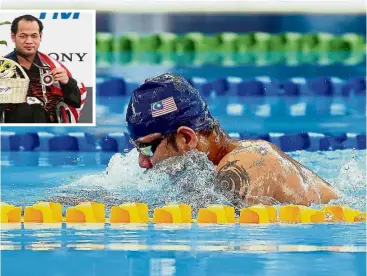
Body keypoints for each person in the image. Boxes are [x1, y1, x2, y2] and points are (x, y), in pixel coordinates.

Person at [126, 73, 340, 206]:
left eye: (147, 148)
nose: (142, 162)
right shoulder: (214, 168)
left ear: (186, 138)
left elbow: (223, 229)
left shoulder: (250, 162)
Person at [2, 14, 87, 123]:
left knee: (37, 109)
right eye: (23, 36)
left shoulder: (53, 66)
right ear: (13, 37)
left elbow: (75, 102)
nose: (29, 41)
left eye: (34, 36)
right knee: (24, 109)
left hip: (46, 120)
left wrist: (66, 82)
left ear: (40, 36)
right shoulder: (3, 66)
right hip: (11, 122)